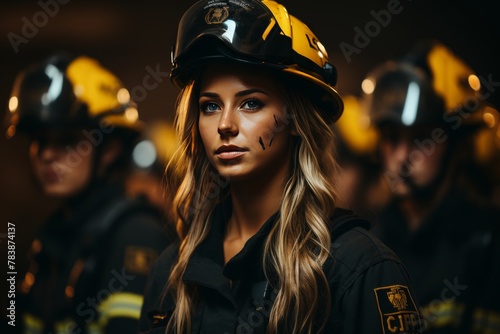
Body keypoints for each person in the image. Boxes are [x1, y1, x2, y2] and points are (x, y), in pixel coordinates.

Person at [139, 1, 424, 333]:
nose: (225, 125)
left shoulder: (358, 266)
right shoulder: (171, 271)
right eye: (211, 106)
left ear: (293, 120)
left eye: (251, 103)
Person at [5, 53, 171, 333]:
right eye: (39, 140)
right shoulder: (52, 235)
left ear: (109, 150)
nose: (46, 155)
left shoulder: (136, 234)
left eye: (67, 140)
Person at [363, 39, 500, 333]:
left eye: (421, 138)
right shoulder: (371, 240)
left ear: (459, 147)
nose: (401, 157)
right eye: (390, 137)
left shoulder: (490, 242)